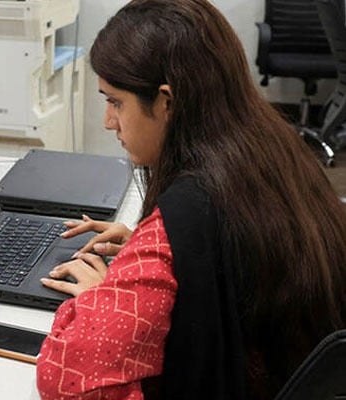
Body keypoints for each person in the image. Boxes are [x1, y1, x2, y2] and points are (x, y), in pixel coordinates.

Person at [35, 0, 346, 399]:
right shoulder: (270, 144)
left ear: (167, 101)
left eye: (115, 102)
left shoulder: (179, 225)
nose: (108, 121)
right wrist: (144, 248)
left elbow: (69, 384)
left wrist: (104, 298)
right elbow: (240, 258)